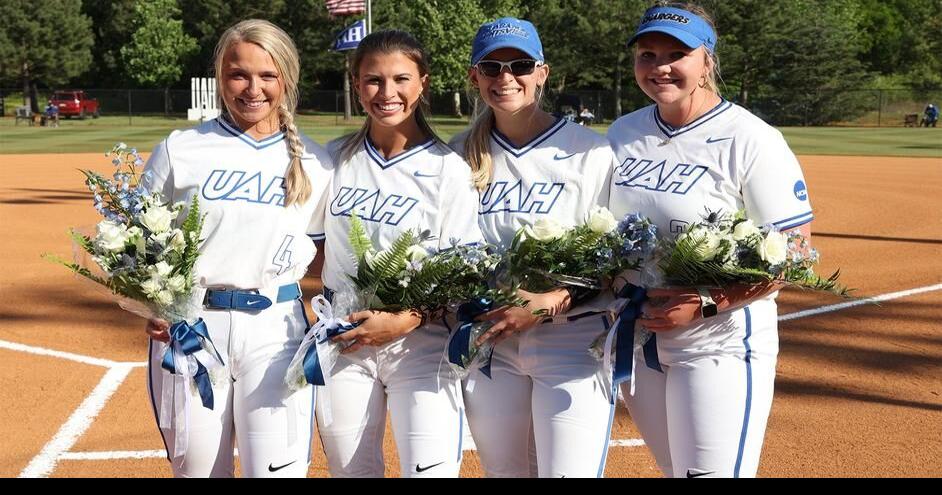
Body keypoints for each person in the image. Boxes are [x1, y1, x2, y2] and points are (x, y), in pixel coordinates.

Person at [606, 2, 815, 478]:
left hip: (719, 340)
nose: (660, 66)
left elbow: (795, 250)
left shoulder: (750, 138)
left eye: (676, 53)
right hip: (639, 338)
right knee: (676, 470)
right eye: (647, 53)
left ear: (706, 61)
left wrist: (706, 301)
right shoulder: (623, 133)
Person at [142, 19, 333, 477]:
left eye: (268, 75)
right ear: (220, 76)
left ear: (287, 77)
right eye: (238, 74)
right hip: (190, 329)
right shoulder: (180, 149)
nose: (253, 88)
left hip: (277, 331)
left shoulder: (315, 161)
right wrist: (153, 303)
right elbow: (139, 246)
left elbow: (326, 259)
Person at [451, 17, 617, 478]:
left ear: (541, 73)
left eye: (519, 64)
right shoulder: (457, 155)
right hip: (490, 343)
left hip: (572, 339)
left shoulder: (590, 152)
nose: (506, 77)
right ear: (474, 77)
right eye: (491, 67)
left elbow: (616, 261)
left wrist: (547, 304)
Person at [315, 29, 482, 478]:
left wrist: (408, 317)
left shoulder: (448, 169)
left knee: (430, 470)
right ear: (355, 84)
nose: (387, 93)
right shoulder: (333, 161)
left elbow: (464, 270)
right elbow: (306, 249)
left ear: (423, 83)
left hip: (422, 343)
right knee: (351, 472)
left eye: (401, 79)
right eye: (373, 80)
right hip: (345, 338)